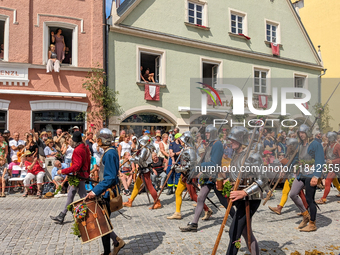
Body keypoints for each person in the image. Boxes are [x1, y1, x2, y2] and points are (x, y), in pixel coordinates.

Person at [179, 125, 228, 232]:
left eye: (208, 132)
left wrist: (199, 166)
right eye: (206, 132)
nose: (206, 134)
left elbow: (214, 163)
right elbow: (204, 160)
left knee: (224, 201)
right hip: (208, 176)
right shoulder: (211, 144)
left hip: (214, 177)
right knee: (201, 198)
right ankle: (194, 224)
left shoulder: (218, 144)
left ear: (213, 133)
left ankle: (238, 221)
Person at [84, 128, 125, 255]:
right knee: (104, 223)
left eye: (98, 139)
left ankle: (109, 250)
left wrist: (95, 191)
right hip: (104, 191)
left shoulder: (110, 153)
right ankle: (115, 244)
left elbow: (110, 177)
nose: (97, 141)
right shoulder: (109, 152)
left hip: (107, 193)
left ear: (103, 140)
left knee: (103, 224)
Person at [167, 132, 211, 220]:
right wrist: (178, 166)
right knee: (178, 192)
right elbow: (184, 163)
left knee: (193, 196)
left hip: (189, 175)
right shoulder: (185, 149)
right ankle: (177, 213)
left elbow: (191, 166)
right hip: (184, 175)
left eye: (182, 140)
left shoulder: (190, 150)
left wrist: (179, 169)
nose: (181, 141)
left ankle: (207, 209)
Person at [288, 124, 324, 232]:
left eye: (303, 133)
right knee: (293, 194)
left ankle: (312, 223)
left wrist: (316, 176)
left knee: (309, 199)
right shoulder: (300, 145)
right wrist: (286, 168)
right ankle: (305, 215)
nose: (301, 135)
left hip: (311, 174)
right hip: (301, 174)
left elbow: (320, 161)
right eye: (300, 133)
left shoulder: (316, 144)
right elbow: (295, 159)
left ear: (307, 133)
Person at [50, 131, 91, 224]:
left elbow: (77, 166)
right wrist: (87, 174)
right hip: (81, 175)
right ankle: (62, 215)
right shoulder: (85, 148)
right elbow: (88, 162)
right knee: (71, 194)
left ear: (75, 141)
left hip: (78, 176)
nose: (70, 141)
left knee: (84, 197)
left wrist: (63, 171)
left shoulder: (77, 150)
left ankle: (93, 213)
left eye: (72, 140)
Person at [268, 138, 308, 215]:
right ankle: (279, 208)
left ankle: (305, 210)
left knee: (300, 193)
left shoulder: (297, 153)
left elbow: (292, 163)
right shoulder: (290, 152)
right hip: (289, 175)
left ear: (292, 145)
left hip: (295, 175)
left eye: (289, 145)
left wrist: (284, 164)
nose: (287, 146)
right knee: (285, 192)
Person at [123, 135, 162, 209]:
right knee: (137, 186)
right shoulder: (148, 149)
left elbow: (140, 160)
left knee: (150, 187)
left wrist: (131, 159)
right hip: (143, 170)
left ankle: (157, 202)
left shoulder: (145, 149)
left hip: (145, 170)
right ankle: (130, 201)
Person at [315, 132, 340, 204]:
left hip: (336, 166)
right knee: (335, 181)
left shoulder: (338, 146)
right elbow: (325, 156)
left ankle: (323, 199)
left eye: (327, 137)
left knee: (327, 181)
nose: (326, 138)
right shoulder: (328, 145)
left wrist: (332, 161)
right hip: (330, 166)